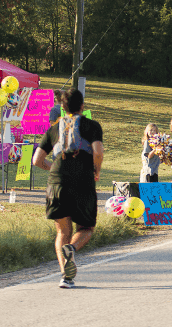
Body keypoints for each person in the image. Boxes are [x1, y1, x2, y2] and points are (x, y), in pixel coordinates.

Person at [32, 88, 104, 289]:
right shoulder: (91, 126)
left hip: (57, 181)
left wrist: (53, 170)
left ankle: (66, 276)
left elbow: (37, 160)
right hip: (83, 180)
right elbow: (97, 152)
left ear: (62, 108)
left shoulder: (53, 129)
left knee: (62, 230)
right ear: (82, 106)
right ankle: (72, 248)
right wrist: (96, 171)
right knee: (86, 227)